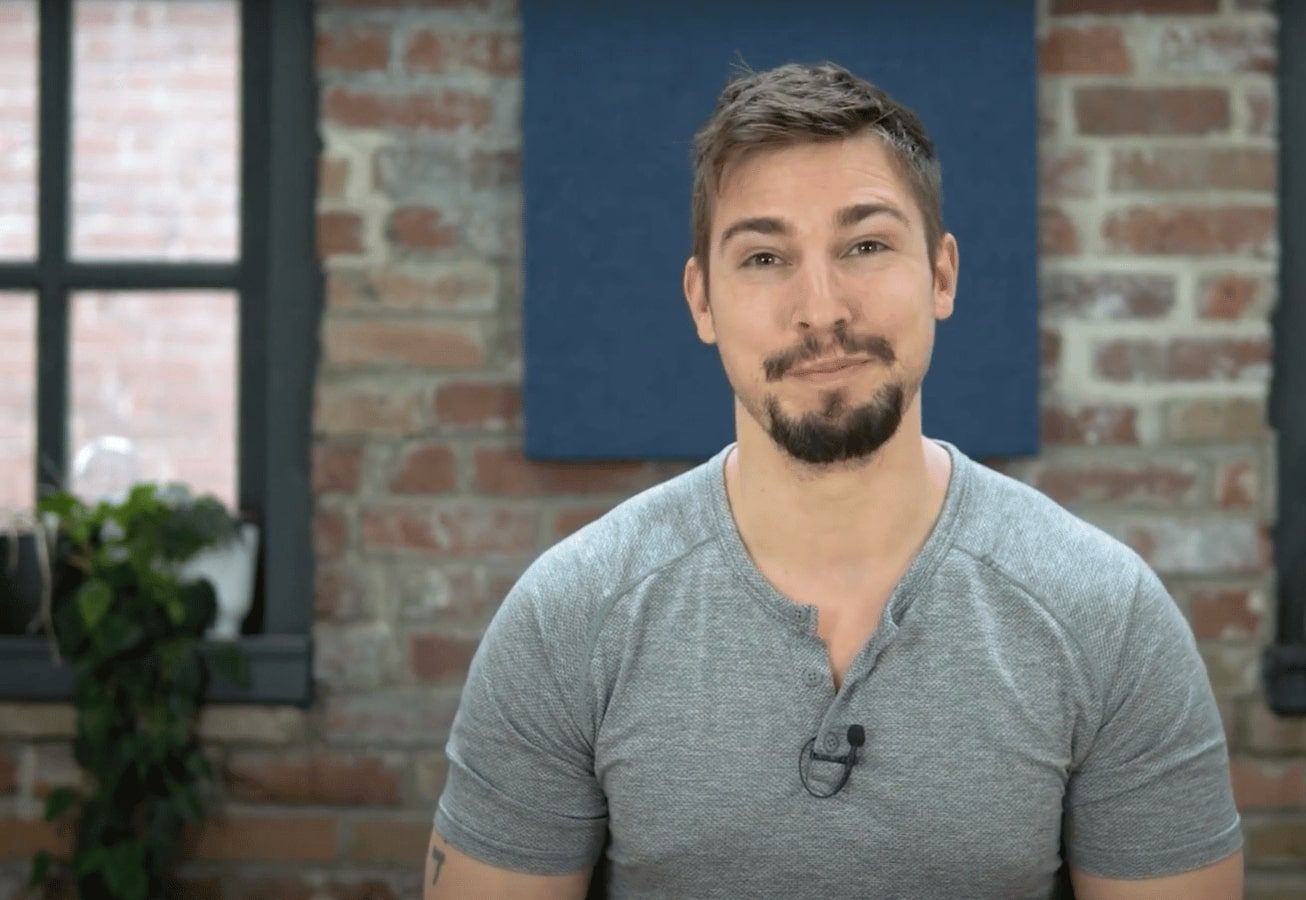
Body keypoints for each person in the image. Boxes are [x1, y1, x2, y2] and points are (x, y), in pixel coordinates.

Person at [424, 61, 1243, 900]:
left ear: (942, 275)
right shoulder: (569, 617)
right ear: (702, 302)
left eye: (866, 246)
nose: (821, 309)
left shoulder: (1107, 615)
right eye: (765, 256)